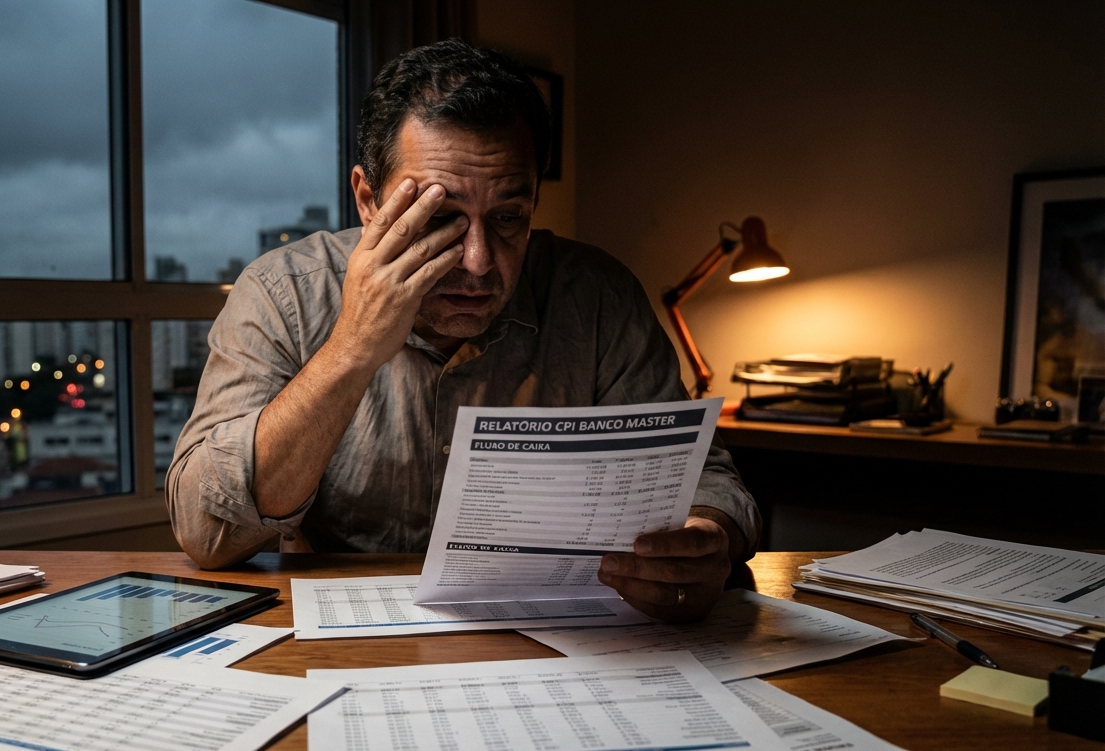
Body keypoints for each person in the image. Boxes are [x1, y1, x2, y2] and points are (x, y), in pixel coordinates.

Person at [166, 39, 759, 622]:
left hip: (558, 639)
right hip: (347, 641)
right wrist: (351, 350)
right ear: (369, 200)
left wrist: (708, 539)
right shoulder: (283, 292)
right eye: (441, 218)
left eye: (507, 218)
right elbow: (205, 530)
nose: (477, 260)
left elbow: (707, 478)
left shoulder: (598, 297)